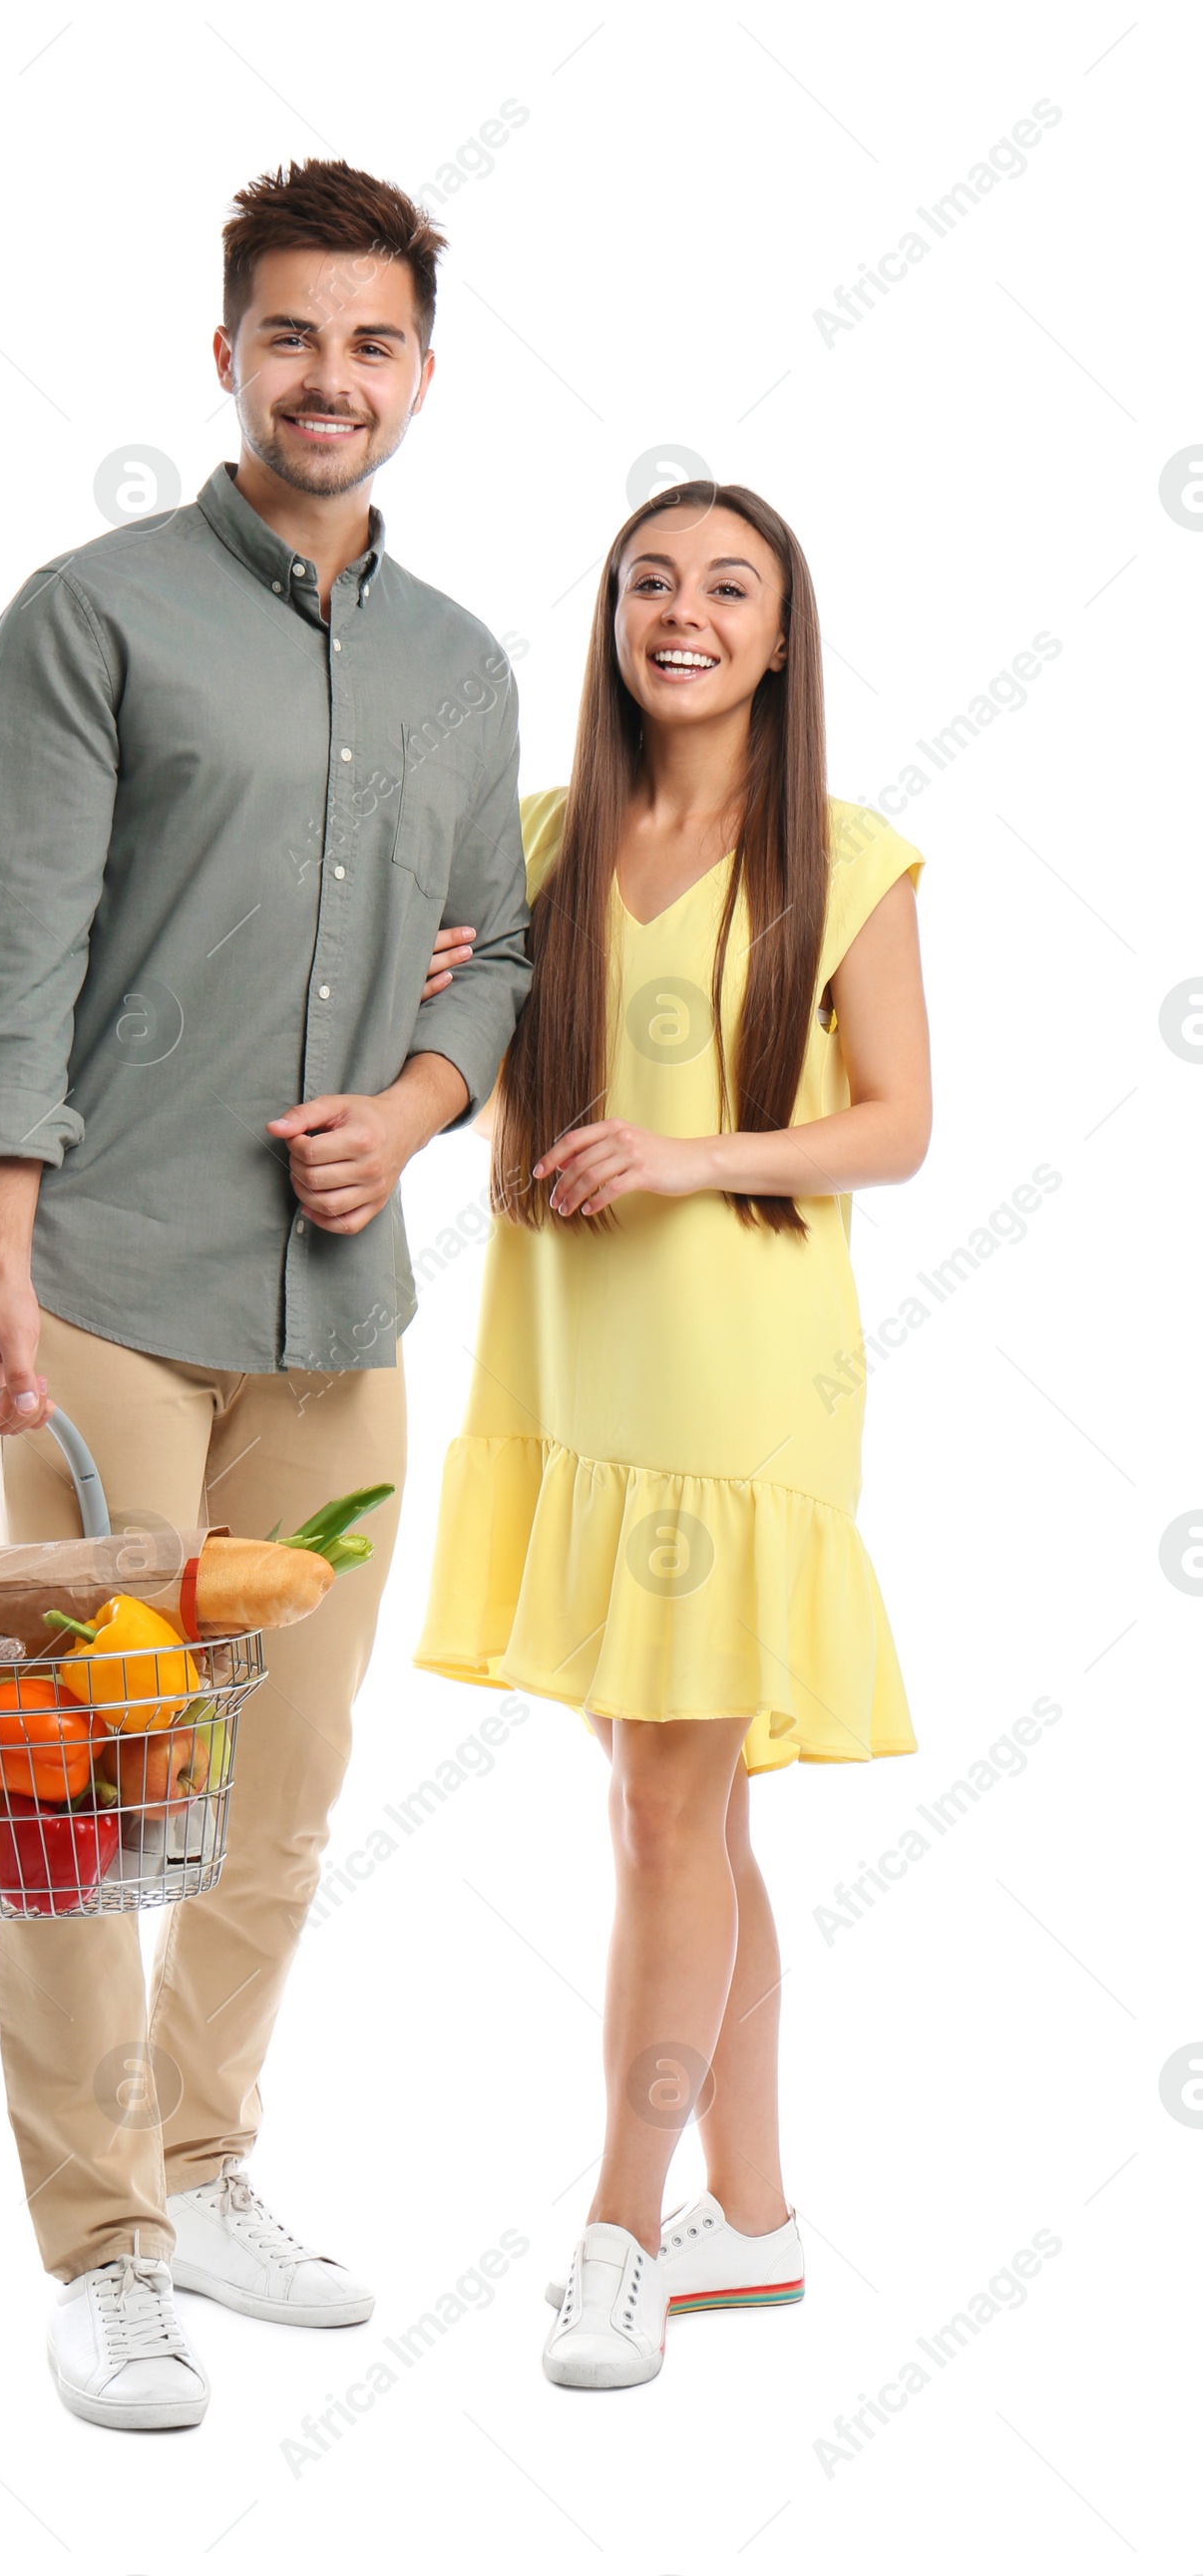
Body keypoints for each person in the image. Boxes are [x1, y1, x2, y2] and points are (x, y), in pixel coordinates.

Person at [0, 159, 531, 2430]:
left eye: (370, 343)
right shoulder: (86, 618)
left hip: (340, 1309)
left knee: (278, 1781)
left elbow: (503, 949)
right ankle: (93, 2242)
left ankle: (200, 2165)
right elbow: (11, 968)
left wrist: (415, 1103)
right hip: (96, 1282)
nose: (330, 378)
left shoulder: (464, 668)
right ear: (224, 357)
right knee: (81, 1777)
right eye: (292, 336)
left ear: (420, 374)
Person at [415, 481, 931, 2389]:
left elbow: (898, 1125)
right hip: (567, 1369)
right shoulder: (543, 841)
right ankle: (761, 2219)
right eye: (652, 581)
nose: (685, 612)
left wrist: (694, 1155)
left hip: (739, 1389)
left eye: (731, 586)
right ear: (614, 617)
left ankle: (623, 2232)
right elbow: (511, 1089)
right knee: (686, 1814)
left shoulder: (847, 858)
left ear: (783, 635)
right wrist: (450, 1064)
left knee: (656, 1813)